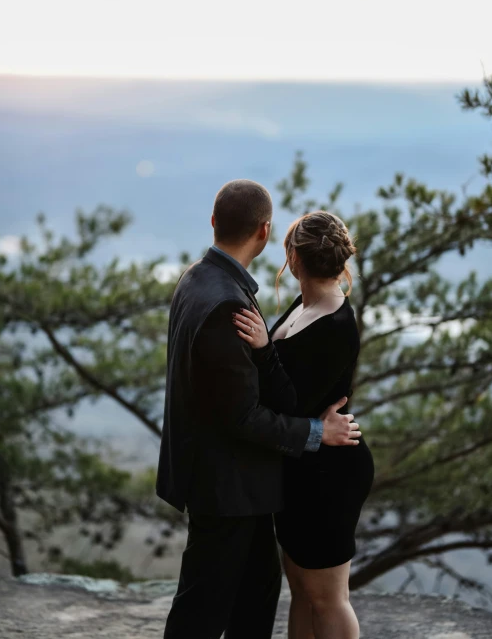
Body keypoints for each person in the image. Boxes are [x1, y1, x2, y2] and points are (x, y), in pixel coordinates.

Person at [156, 180, 362, 639]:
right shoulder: (226, 300)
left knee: (258, 592)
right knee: (204, 608)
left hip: (238, 481)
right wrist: (315, 432)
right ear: (265, 232)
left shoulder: (199, 278)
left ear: (214, 222)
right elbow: (242, 415)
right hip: (226, 484)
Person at [234, 210, 374, 639]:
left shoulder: (335, 325)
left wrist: (262, 349)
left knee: (328, 599)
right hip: (303, 467)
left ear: (294, 258)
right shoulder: (307, 304)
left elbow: (293, 404)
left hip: (330, 474)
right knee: (301, 590)